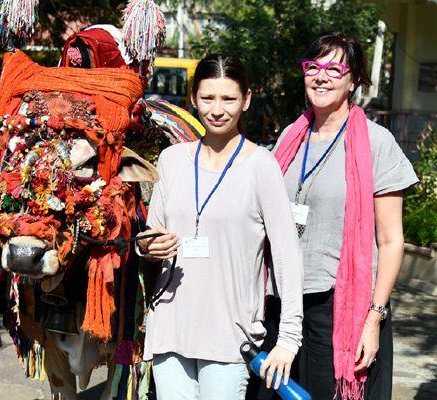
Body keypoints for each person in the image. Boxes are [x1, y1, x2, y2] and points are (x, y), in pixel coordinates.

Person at [252, 33, 418, 400]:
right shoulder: (288, 139)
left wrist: (374, 319)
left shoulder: (376, 143)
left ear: (353, 80)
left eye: (333, 68)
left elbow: (391, 241)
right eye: (313, 67)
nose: (321, 76)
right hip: (280, 302)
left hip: (336, 307)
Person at [136, 54, 304, 399]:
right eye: (208, 97)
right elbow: (151, 235)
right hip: (171, 328)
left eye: (228, 98)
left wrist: (288, 338)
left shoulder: (262, 166)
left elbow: (287, 256)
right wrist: (147, 246)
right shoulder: (172, 160)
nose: (217, 109)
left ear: (246, 100)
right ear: (194, 98)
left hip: (230, 337)